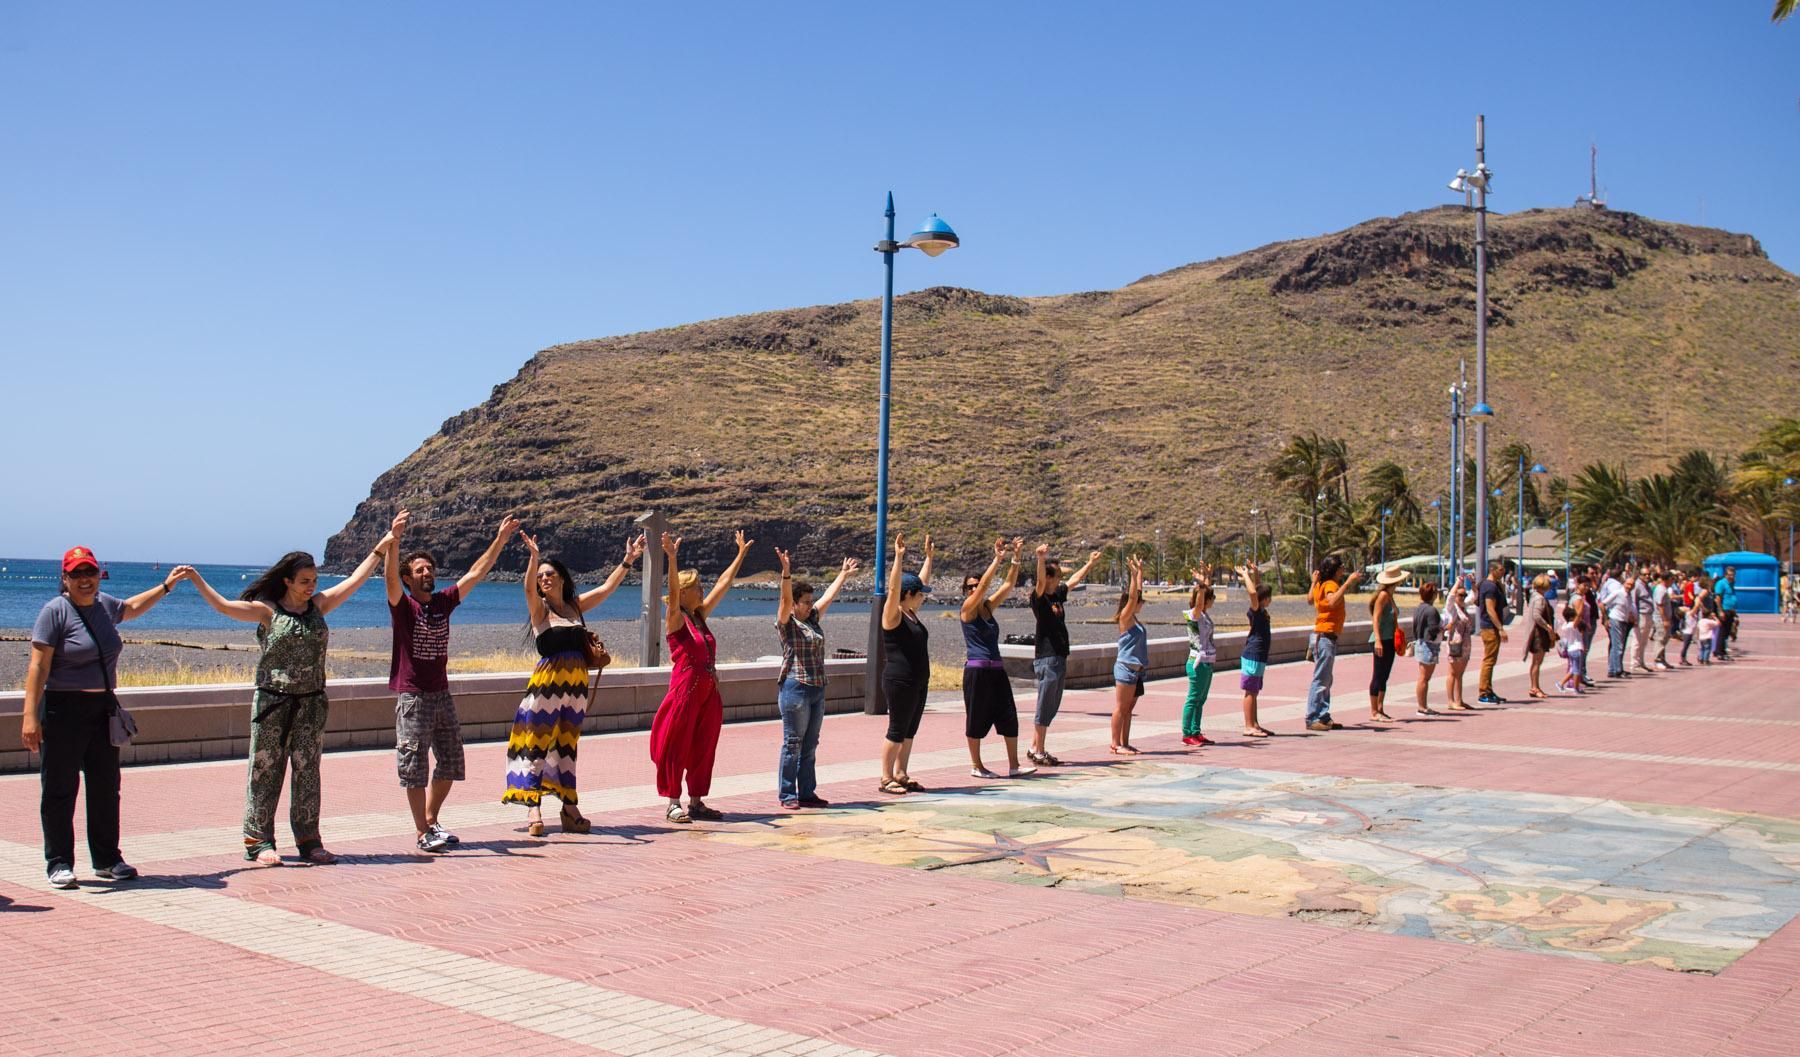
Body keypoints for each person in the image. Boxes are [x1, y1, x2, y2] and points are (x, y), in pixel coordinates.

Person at [183, 536, 393, 864]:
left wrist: (382, 546)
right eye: (304, 581)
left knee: (308, 770)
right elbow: (224, 607)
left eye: (314, 581)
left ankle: (309, 839)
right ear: (287, 581)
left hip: (311, 703)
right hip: (272, 705)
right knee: (264, 770)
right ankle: (258, 840)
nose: (311, 587)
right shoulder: (267, 611)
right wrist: (197, 580)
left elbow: (355, 579)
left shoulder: (319, 606)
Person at [22, 548, 189, 889]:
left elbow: (131, 608)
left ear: (99, 575)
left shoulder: (104, 605)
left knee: (105, 787)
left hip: (102, 710)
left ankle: (107, 859)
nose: (85, 580)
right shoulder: (55, 611)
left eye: (90, 573)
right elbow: (38, 667)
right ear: (64, 579)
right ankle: (59, 863)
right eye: (77, 574)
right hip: (62, 709)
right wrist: (29, 717)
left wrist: (166, 586)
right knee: (59, 789)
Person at [383, 510, 522, 852]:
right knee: (414, 766)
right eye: (419, 570)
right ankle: (421, 833)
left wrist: (500, 540)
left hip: (442, 694)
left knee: (450, 761)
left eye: (429, 568)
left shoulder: (443, 602)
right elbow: (388, 578)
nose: (427, 573)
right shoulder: (403, 606)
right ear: (408, 579)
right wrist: (394, 541)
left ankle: (431, 820)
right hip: (414, 697)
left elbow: (476, 572)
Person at [501, 530, 646, 835]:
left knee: (567, 746)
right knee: (538, 744)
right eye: (541, 576)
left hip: (576, 685)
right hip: (548, 684)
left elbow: (607, 588)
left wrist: (628, 560)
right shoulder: (541, 610)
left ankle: (569, 808)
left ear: (562, 578)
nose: (544, 579)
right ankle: (533, 808)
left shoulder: (575, 607)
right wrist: (533, 557)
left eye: (549, 574)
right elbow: (528, 590)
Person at [650, 530, 752, 823]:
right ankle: (673, 802)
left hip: (708, 691)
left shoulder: (699, 616)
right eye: (697, 586)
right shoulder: (676, 618)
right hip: (685, 689)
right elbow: (671, 593)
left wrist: (740, 555)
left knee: (704, 746)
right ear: (684, 592)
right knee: (677, 744)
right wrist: (672, 558)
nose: (703, 590)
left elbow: (723, 583)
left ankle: (696, 801)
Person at [772, 548, 857, 810]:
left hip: (818, 688)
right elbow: (784, 604)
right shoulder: (788, 624)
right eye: (806, 602)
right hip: (796, 688)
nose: (811, 605)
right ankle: (788, 794)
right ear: (796, 603)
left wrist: (842, 575)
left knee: (810, 744)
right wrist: (786, 574)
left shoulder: (813, 620)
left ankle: (807, 792)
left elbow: (828, 598)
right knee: (793, 743)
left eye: (811, 601)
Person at [961, 537, 1034, 777]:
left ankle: (1014, 765)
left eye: (976, 585)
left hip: (996, 670)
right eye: (970, 587)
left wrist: (1016, 557)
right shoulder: (967, 610)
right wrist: (997, 558)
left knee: (1008, 716)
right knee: (976, 719)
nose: (974, 589)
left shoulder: (988, 608)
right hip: (978, 671)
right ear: (965, 591)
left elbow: (1008, 585)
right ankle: (976, 766)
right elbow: (984, 587)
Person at [1027, 544, 1101, 766]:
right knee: (1044, 704)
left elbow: (1074, 581)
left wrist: (1090, 563)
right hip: (1047, 658)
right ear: (1049, 577)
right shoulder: (1040, 599)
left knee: (1052, 705)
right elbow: (1040, 582)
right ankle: (1039, 750)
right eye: (1057, 576)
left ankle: (1034, 746)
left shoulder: (1058, 594)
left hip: (1059, 657)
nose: (1060, 579)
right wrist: (1040, 559)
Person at [878, 532, 934, 796]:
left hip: (918, 681)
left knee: (910, 730)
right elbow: (893, 590)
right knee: (897, 729)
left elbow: (922, 581)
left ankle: (901, 772)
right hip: (899, 680)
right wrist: (898, 558)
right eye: (920, 594)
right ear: (908, 594)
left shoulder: (911, 613)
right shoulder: (893, 615)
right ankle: (886, 776)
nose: (923, 597)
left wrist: (928, 558)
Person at [1305, 556, 1361, 731]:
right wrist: (1348, 583)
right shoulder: (1330, 585)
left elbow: (1309, 599)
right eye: (1341, 567)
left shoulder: (1321, 584)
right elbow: (1331, 601)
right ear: (1335, 570)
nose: (1343, 570)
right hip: (1325, 636)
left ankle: (1323, 715)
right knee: (1321, 678)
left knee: (1326, 678)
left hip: (1323, 636)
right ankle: (1313, 717)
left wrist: (1313, 583)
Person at [1111, 555, 1149, 752]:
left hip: (1137, 671)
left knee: (1129, 710)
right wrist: (1133, 575)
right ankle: (1115, 744)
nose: (1141, 603)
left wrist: (1139, 572)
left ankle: (1125, 742)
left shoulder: (1134, 618)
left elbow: (1138, 593)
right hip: (1126, 668)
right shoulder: (1125, 618)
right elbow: (1134, 596)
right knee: (1121, 707)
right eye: (1138, 602)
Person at [1180, 563, 1218, 746]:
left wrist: (1206, 578)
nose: (1211, 602)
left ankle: (1196, 731)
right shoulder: (1193, 614)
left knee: (1201, 699)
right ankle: (1187, 733)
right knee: (1193, 698)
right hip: (1197, 662)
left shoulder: (1205, 616)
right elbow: (1200, 602)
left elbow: (1204, 595)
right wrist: (1201, 585)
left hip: (1207, 661)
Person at [1235, 563, 1273, 737]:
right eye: (1269, 597)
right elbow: (1252, 593)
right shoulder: (1256, 610)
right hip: (1252, 654)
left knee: (1255, 691)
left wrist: (1255, 572)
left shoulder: (1262, 610)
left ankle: (1255, 723)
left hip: (1259, 655)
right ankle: (1248, 725)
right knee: (1250, 691)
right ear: (1264, 599)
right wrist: (1245, 575)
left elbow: (1256, 590)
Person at [1367, 567, 1407, 722]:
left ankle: (1380, 708)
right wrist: (1377, 640)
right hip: (1380, 639)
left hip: (1390, 639)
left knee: (1385, 675)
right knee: (1378, 674)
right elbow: (1375, 619)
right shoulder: (1383, 596)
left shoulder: (1390, 596)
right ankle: (1374, 711)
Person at [1476, 559, 1511, 704]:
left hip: (1490, 626)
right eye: (1501, 570)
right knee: (1489, 660)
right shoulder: (1489, 587)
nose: (1503, 572)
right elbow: (1490, 609)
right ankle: (1484, 692)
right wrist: (1500, 628)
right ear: (1493, 570)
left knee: (1491, 660)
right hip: (1490, 627)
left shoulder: (1491, 585)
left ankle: (1488, 690)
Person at [1410, 581, 1443, 717]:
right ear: (1433, 595)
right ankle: (1422, 707)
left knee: (1423, 677)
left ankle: (1422, 705)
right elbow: (1433, 628)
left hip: (1420, 643)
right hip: (1428, 645)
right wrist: (1445, 628)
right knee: (1424, 678)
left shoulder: (1419, 608)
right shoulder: (1431, 610)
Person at [1442, 580, 1474, 711]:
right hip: (1455, 643)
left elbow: (1474, 596)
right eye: (1460, 595)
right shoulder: (1452, 608)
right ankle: (1451, 701)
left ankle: (1459, 700)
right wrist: (1457, 583)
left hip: (1465, 644)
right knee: (1452, 673)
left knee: (1460, 674)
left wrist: (1472, 584)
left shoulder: (1464, 607)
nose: (1463, 597)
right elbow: (1449, 597)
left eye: (1464, 595)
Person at [1523, 573, 1555, 699]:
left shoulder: (1534, 596)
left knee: (1536, 662)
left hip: (1538, 632)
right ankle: (1534, 687)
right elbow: (1537, 616)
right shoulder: (1539, 599)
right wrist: (1547, 627)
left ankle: (1535, 686)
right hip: (1539, 634)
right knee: (1537, 662)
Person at [1598, 565, 1631, 679]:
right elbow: (1603, 603)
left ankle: (1613, 668)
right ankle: (1617, 669)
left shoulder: (1608, 584)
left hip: (1618, 617)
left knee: (1614, 644)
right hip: (1615, 618)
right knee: (1618, 645)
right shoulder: (1616, 587)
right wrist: (1606, 618)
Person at [1630, 567, 1657, 673]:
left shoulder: (1648, 586)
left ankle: (1641, 662)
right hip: (1641, 615)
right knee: (1637, 640)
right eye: (1644, 574)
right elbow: (1633, 602)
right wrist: (1634, 617)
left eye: (1648, 574)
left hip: (1649, 614)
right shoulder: (1637, 586)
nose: (1647, 576)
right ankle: (1635, 664)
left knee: (1644, 641)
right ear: (1640, 575)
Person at [1555, 604, 1585, 694]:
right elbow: (1579, 616)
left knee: (1573, 669)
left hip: (1570, 649)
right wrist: (1580, 607)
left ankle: (1561, 683)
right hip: (1577, 648)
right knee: (1576, 670)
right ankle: (1576, 688)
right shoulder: (1573, 625)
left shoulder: (1565, 625)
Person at [1714, 567, 1739, 660]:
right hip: (1724, 610)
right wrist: (1720, 611)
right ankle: (1720, 652)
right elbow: (1718, 598)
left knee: (1727, 632)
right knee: (1722, 632)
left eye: (1733, 575)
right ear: (1725, 575)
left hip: (1731, 610)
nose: (1731, 577)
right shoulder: (1721, 583)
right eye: (1729, 575)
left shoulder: (1731, 583)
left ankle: (1721, 650)